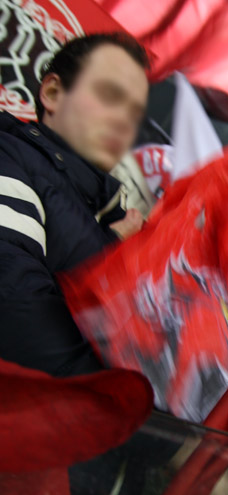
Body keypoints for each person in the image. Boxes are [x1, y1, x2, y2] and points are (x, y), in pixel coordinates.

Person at [0, 32, 149, 376]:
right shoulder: (9, 154)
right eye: (110, 95)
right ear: (53, 93)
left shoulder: (110, 214)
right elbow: (12, 306)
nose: (124, 122)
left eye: (134, 114)